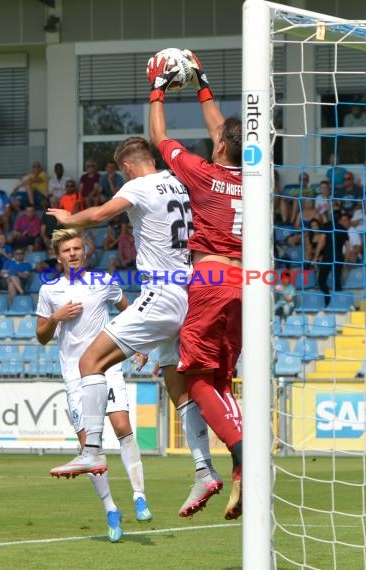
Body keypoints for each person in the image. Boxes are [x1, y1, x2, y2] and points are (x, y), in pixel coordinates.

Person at [47, 136, 221, 519]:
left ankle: (90, 449)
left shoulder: (137, 185)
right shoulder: (177, 181)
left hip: (160, 294)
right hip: (189, 293)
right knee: (179, 387)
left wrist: (68, 217)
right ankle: (204, 468)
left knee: (90, 362)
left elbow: (98, 216)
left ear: (127, 167)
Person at [147, 49, 243, 520]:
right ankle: (244, 458)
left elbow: (158, 137)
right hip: (247, 283)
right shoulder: (257, 178)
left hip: (208, 278)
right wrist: (202, 81)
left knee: (194, 376)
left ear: (220, 147)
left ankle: (241, 458)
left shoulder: (202, 174)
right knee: (223, 379)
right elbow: (223, 131)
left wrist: (158, 89)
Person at [36, 228, 152, 542]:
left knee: (122, 426)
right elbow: (41, 336)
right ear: (58, 257)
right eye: (66, 250)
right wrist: (56, 317)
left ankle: (139, 495)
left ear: (84, 251)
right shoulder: (50, 290)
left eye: (77, 248)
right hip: (75, 376)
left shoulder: (104, 281)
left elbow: (127, 311)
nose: (72, 253)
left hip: (107, 365)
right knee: (91, 446)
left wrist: (140, 345)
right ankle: (111, 509)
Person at [313, 211, 350, 305]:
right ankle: (338, 304)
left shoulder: (327, 226)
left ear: (330, 217)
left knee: (321, 280)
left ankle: (327, 300)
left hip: (328, 257)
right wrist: (345, 261)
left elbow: (322, 241)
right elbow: (348, 247)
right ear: (340, 218)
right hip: (339, 258)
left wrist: (316, 256)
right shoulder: (343, 229)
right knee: (337, 281)